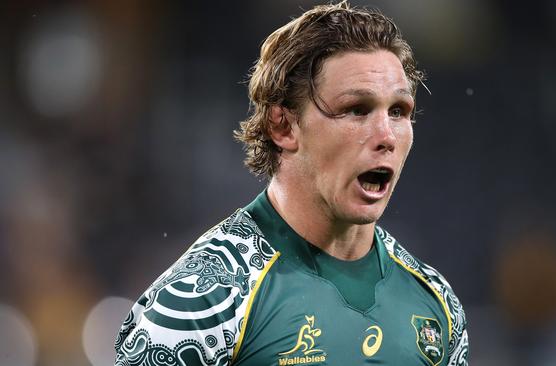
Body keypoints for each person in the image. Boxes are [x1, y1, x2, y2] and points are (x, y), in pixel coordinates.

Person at [114, 2, 468, 365]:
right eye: (357, 110)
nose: (386, 136)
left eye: (398, 112)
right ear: (283, 126)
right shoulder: (204, 300)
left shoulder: (435, 304)